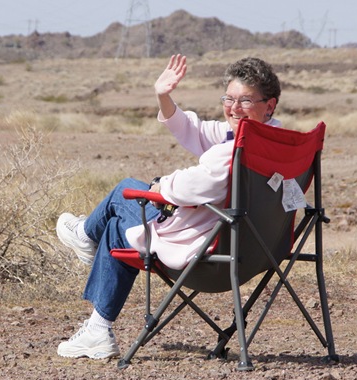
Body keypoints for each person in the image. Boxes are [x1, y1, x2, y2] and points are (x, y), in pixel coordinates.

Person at [55, 54, 282, 360]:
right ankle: (95, 316)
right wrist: (164, 96)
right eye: (229, 98)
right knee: (125, 214)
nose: (234, 107)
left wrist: (161, 185)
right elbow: (196, 130)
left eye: (245, 100)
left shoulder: (235, 152)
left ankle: (86, 241)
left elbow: (193, 185)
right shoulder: (278, 142)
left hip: (208, 256)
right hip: (259, 252)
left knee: (125, 196)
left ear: (270, 104)